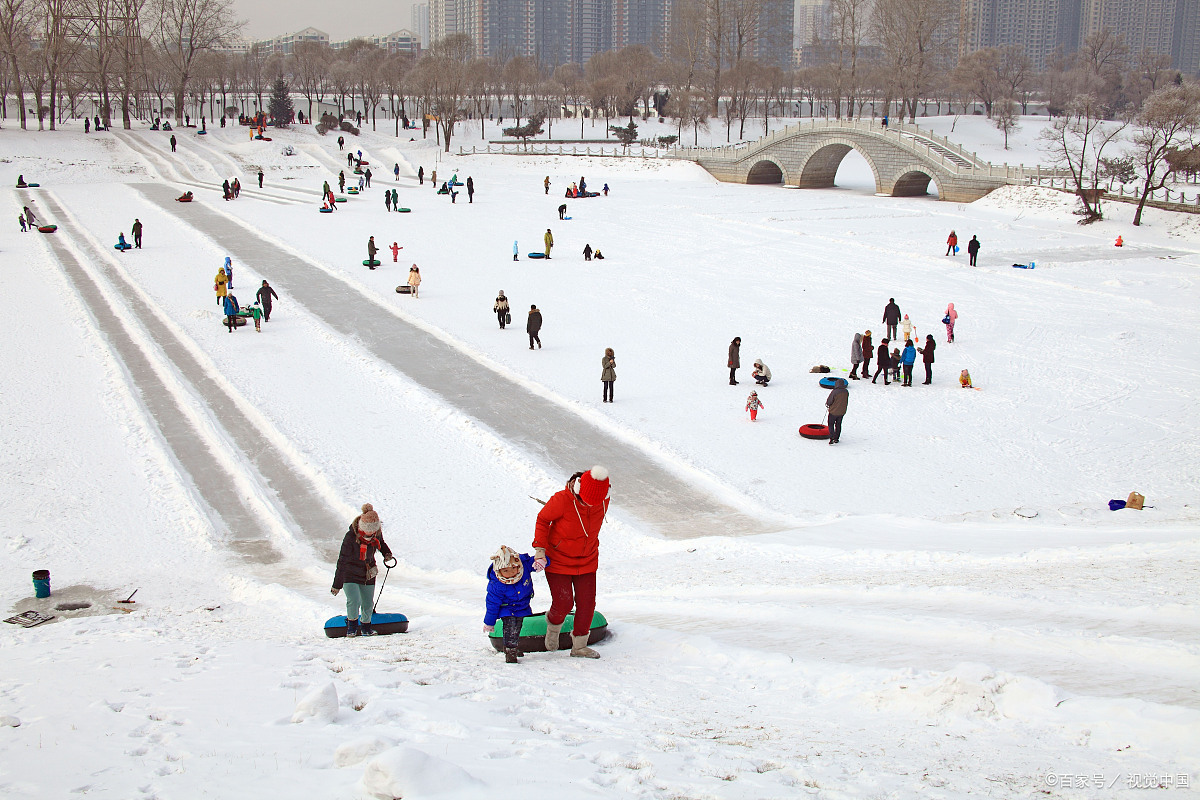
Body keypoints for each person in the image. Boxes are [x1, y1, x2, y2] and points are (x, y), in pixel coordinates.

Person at [532, 466, 610, 658]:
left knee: (587, 604)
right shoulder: (562, 500)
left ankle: (579, 647)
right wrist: (540, 550)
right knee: (564, 603)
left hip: (587, 559)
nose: (590, 505)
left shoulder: (604, 499)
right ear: (579, 490)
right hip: (558, 559)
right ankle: (553, 629)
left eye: (595, 502)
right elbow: (542, 520)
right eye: (586, 501)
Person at [331, 503, 393, 637]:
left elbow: (381, 544)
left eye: (373, 531)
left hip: (368, 572)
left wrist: (387, 554)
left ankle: (366, 628)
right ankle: (351, 628)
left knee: (367, 603)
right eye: (368, 531)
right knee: (354, 600)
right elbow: (342, 561)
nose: (371, 534)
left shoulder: (376, 533)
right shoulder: (350, 537)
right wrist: (337, 584)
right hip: (350, 573)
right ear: (362, 527)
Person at [484, 545, 544, 663]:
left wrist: (541, 560)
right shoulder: (497, 585)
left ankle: (514, 647)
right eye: (506, 571)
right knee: (510, 626)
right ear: (499, 570)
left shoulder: (523, 567)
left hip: (522, 606)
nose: (511, 573)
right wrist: (489, 622)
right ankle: (510, 651)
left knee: (518, 626)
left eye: (513, 568)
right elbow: (492, 604)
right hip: (506, 608)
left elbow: (534, 561)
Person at [825, 379, 848, 445]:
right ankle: (836, 438)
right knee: (838, 424)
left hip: (833, 411)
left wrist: (828, 404)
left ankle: (832, 436)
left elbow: (829, 401)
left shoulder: (835, 392)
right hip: (842, 411)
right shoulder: (846, 392)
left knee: (831, 424)